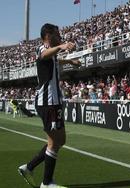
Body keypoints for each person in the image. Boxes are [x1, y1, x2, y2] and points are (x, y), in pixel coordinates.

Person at [18, 23, 80, 188]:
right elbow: (45, 55)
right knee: (54, 142)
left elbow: (54, 58)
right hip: (48, 102)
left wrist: (70, 61)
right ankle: (47, 183)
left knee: (60, 140)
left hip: (55, 102)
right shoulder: (42, 48)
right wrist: (62, 46)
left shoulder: (52, 53)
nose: (59, 36)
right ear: (48, 35)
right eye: (57, 34)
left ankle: (29, 167)